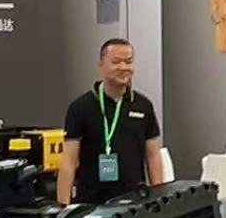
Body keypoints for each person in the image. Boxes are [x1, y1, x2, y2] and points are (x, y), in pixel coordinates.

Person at [59, 38, 164, 206]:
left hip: (135, 203)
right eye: (116, 62)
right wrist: (63, 207)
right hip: (92, 204)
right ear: (101, 65)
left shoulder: (143, 105)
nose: (123, 67)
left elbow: (153, 156)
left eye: (128, 62)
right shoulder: (80, 107)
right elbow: (68, 161)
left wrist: (159, 198)